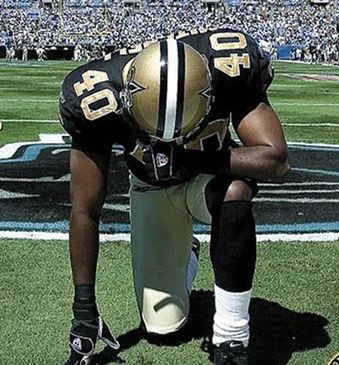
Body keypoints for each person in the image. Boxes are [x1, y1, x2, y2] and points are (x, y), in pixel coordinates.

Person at [59, 28, 290, 365]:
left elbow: (277, 160)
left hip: (209, 177)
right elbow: (85, 209)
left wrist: (189, 160)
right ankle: (188, 254)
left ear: (209, 91)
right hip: (152, 189)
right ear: (127, 101)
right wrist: (84, 310)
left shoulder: (228, 65)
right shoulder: (96, 97)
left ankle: (232, 338)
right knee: (163, 329)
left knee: (236, 191)